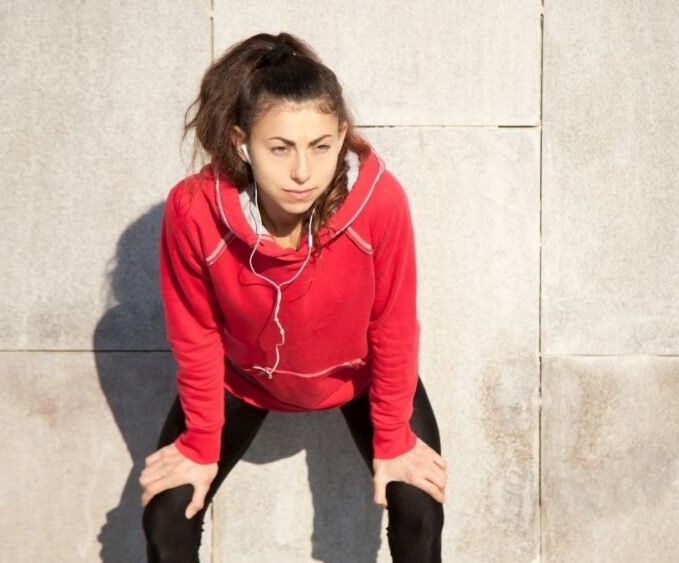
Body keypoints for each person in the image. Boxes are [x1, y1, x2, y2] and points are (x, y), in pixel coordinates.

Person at [139, 32, 448, 562]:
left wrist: (393, 436)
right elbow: (196, 332)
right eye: (280, 149)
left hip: (358, 373)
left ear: (342, 135)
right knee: (167, 514)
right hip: (245, 375)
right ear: (242, 142)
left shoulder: (379, 204)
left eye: (320, 146)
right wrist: (199, 445)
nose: (303, 171)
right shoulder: (193, 211)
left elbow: (393, 323)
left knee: (420, 505)